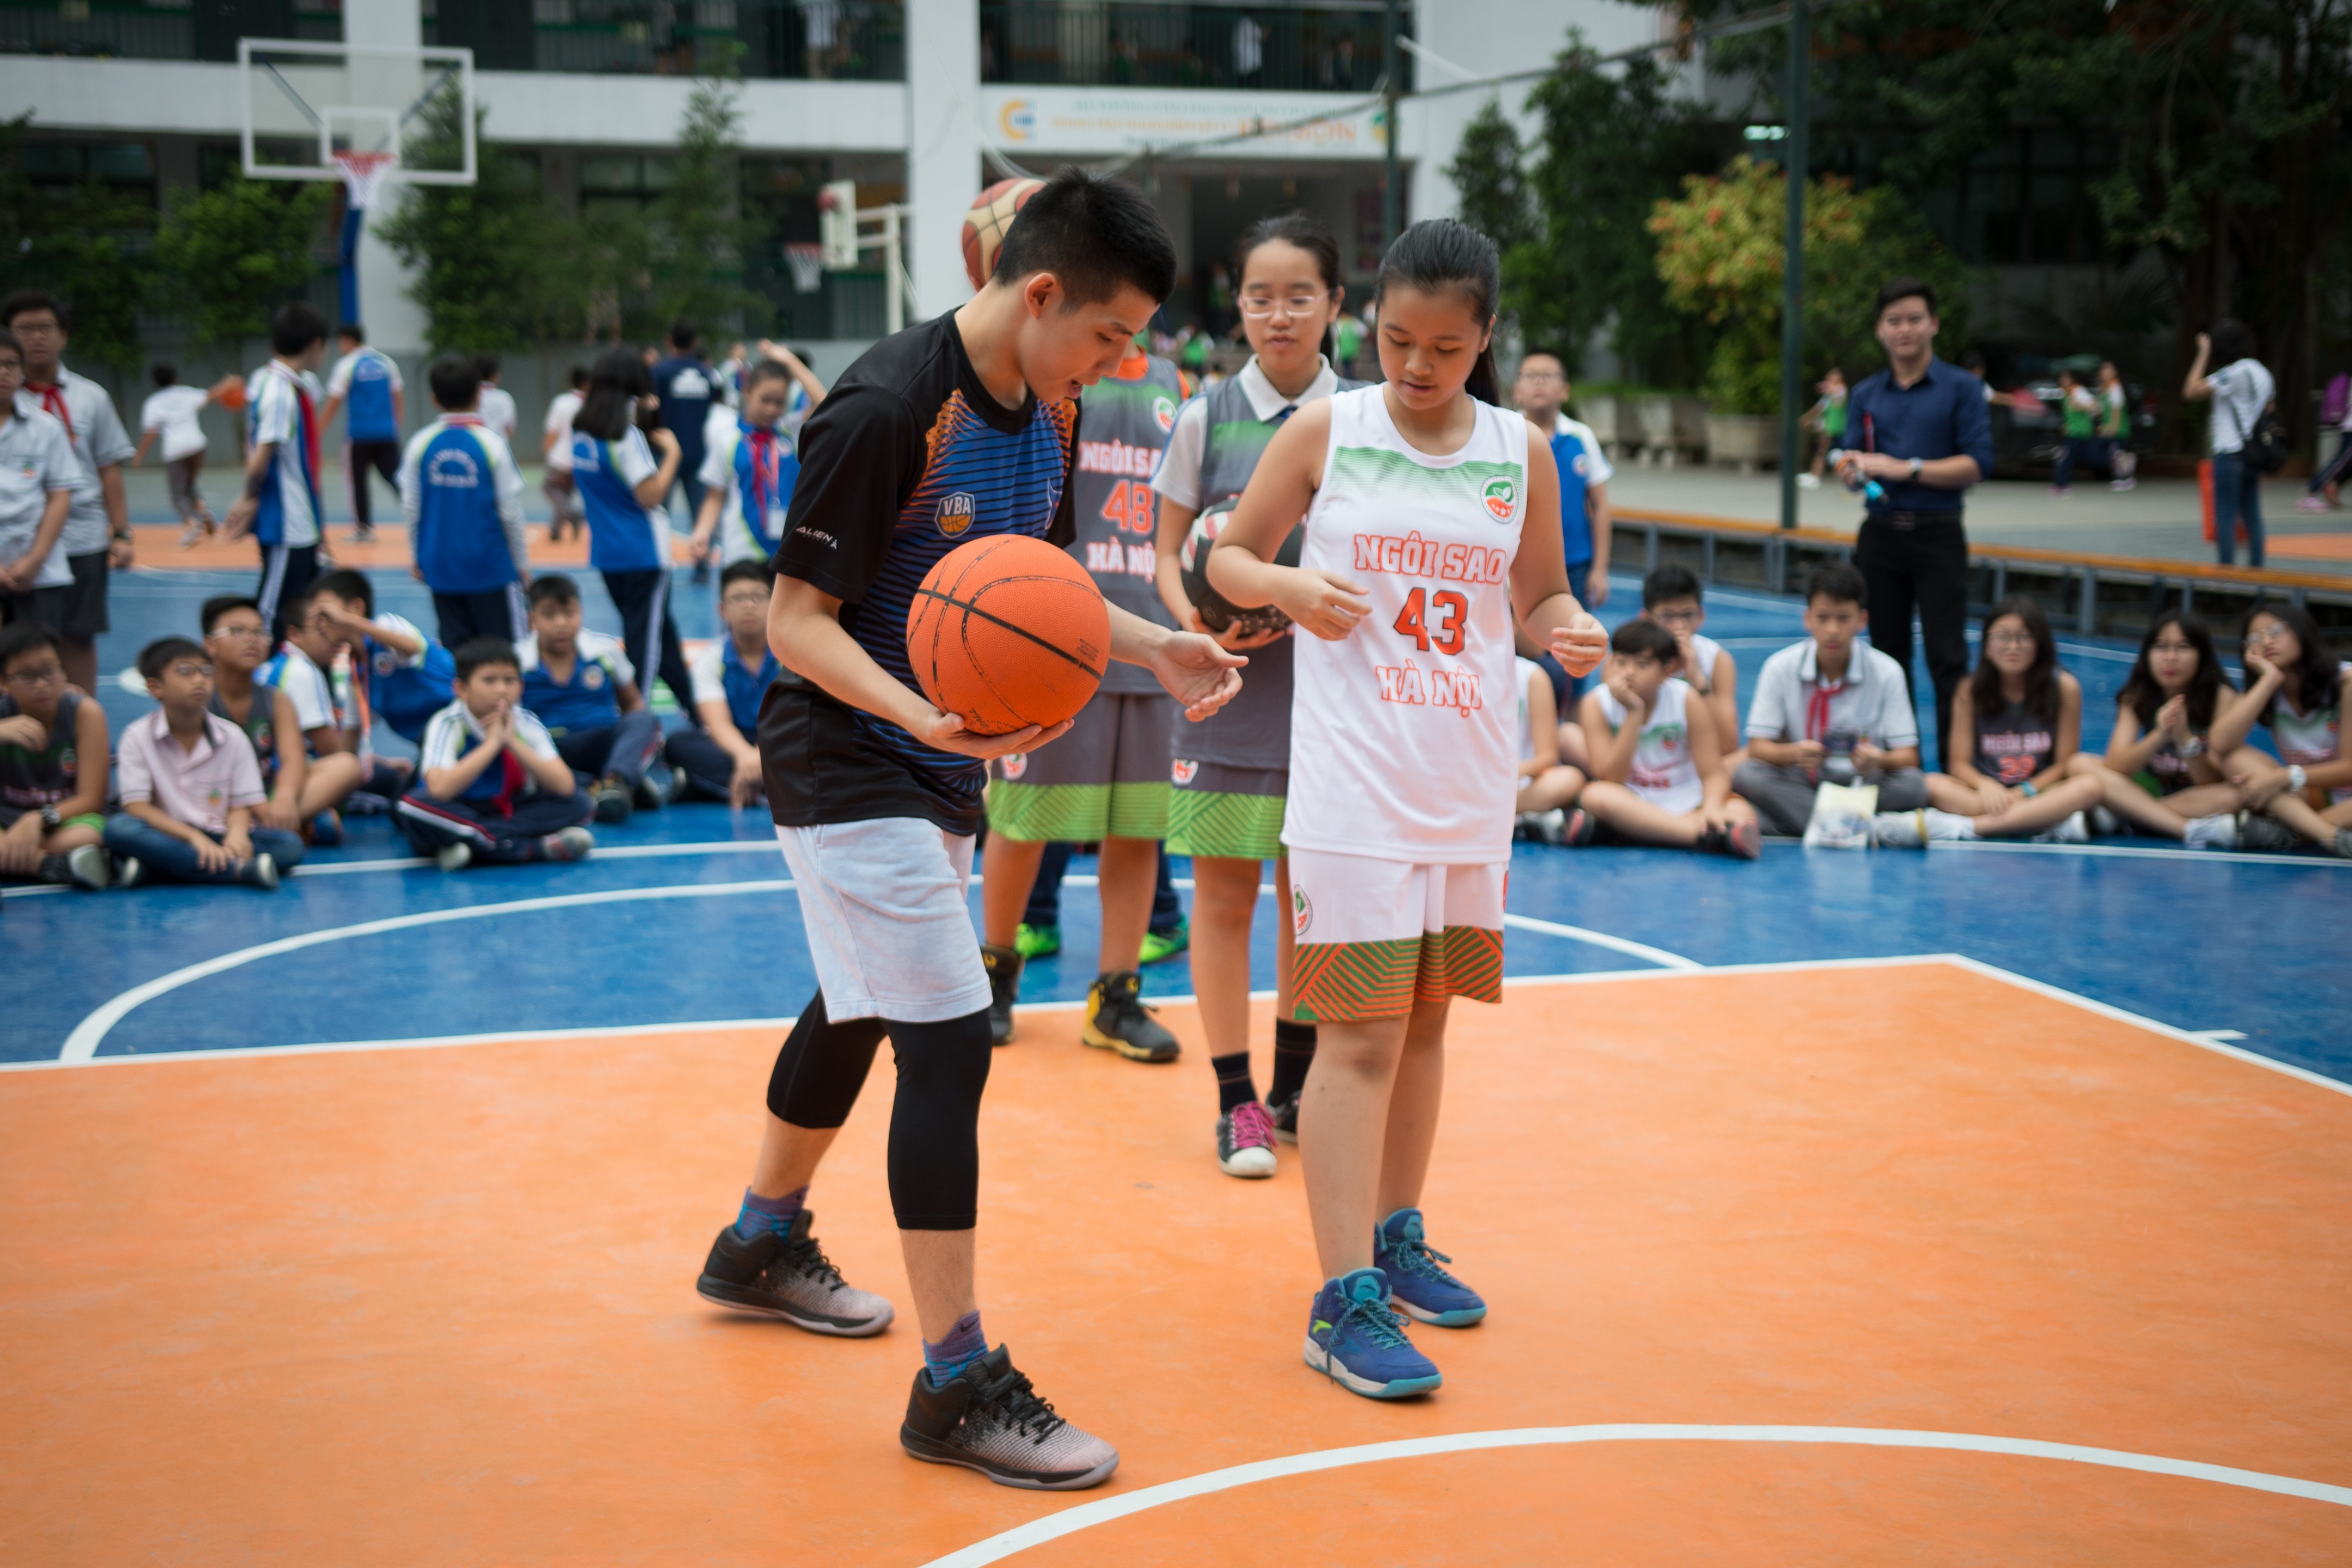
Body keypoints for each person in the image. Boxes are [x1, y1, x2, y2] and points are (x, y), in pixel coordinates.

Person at [696, 167, 1236, 1490]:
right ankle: (955, 1380)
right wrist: (919, 710)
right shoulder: (890, 405)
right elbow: (797, 621)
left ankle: (758, 1241)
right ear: (1041, 292)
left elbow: (1034, 594)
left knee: (863, 1007)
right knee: (945, 1040)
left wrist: (1154, 644)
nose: (1118, 363)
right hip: (844, 753)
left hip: (935, 758)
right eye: (1108, 334)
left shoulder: (1053, 406)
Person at [1207, 218, 1607, 1400]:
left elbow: (1540, 595)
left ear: (1486, 337)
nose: (1417, 364)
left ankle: (1394, 1236)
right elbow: (1228, 559)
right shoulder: (1328, 429)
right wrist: (1286, 585)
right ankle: (1341, 1303)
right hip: (1354, 785)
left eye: (1444, 346)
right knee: (1360, 1034)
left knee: (1427, 1022)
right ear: (1369, 324)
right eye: (1396, 340)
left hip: (1466, 780)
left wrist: (1569, 629)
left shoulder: (1519, 450)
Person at [1152, 211, 1364, 1178]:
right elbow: (1167, 554)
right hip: (1226, 693)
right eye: (1260, 298)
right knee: (1225, 894)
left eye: (1299, 297)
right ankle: (1235, 1099)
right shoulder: (1204, 416)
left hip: (1336, 699)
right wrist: (1196, 632)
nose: (1279, 316)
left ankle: (1295, 1086)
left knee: (1306, 898)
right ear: (1237, 305)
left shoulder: (1365, 420)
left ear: (1336, 306)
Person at [978, 330, 1195, 1064]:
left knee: (1137, 830)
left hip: (1152, 635)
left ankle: (1115, 996)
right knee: (1021, 820)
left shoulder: (1175, 385)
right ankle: (994, 977)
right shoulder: (1058, 379)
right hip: (1053, 632)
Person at [1833, 278, 1993, 771]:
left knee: (1948, 657)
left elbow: (1979, 463)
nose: (1904, 329)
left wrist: (1909, 468)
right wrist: (1851, 471)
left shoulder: (1962, 388)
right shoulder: (1865, 394)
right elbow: (1849, 458)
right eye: (1894, 321)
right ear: (1880, 330)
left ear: (1934, 325)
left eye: (1914, 319)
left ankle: (1956, 768)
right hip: (1880, 534)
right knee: (1886, 658)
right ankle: (1898, 768)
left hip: (1938, 532)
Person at [1869, 595, 2104, 846]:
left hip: (2039, 790)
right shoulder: (1969, 690)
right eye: (2002, 637)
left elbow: (2064, 765)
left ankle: (1970, 827)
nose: (2013, 647)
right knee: (1932, 785)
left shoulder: (2065, 688)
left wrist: (2025, 791)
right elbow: (1959, 764)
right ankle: (2045, 820)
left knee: (2089, 787)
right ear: (1987, 647)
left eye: (2024, 637)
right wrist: (1985, 784)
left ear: (2040, 644)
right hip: (1987, 795)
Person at [1732, 563, 1930, 835]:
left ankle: (1810, 824)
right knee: (1748, 774)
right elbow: (1758, 748)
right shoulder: (1780, 667)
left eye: (1843, 618)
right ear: (1807, 619)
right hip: (1803, 777)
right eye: (1823, 618)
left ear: (1862, 620)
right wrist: (1795, 753)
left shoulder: (1886, 672)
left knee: (1913, 785)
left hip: (1862, 781)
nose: (1833, 629)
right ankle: (1861, 828)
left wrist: (1878, 760)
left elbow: (1908, 755)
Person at [2, 289, 134, 697]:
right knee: (17, 645)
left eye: (46, 328)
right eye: (24, 329)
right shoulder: (9, 398)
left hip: (81, 537)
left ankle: (80, 718)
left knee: (78, 635)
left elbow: (108, 468)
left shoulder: (91, 397)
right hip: (17, 542)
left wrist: (121, 533)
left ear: (63, 335)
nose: (36, 337)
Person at [104, 636, 304, 890]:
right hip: (167, 834)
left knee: (289, 845)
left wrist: (237, 834)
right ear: (155, 687)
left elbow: (241, 803)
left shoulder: (232, 736)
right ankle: (239, 871)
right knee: (119, 829)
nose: (200, 680)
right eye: (185, 671)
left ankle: (157, 868)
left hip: (218, 833)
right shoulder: (137, 737)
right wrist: (193, 837)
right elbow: (137, 808)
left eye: (207, 672)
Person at [570, 347, 695, 720]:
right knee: (645, 646)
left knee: (659, 634)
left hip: (608, 553)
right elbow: (650, 495)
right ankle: (635, 721)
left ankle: (697, 712)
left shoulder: (581, 433)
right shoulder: (625, 437)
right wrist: (674, 454)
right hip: (644, 554)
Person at [397, 636, 595, 871]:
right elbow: (440, 790)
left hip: (509, 809)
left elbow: (564, 786)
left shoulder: (526, 722)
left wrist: (512, 741)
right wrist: (492, 744)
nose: (501, 690)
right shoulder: (448, 723)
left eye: (510, 680)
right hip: (461, 807)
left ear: (521, 687)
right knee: (414, 805)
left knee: (581, 803)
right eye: (489, 680)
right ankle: (533, 849)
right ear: (461, 689)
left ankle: (477, 843)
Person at [1570, 618, 1759, 856]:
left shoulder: (1686, 699)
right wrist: (1634, 714)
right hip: (1632, 800)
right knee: (1596, 796)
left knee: (1742, 810)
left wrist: (1712, 808)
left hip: (1688, 800)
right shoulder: (1596, 703)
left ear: (1666, 670)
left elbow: (1713, 773)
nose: (1629, 673)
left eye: (1642, 665)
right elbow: (1610, 777)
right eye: (1621, 662)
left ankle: (1634, 832)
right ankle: (1703, 836)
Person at [2062, 610, 2245, 848]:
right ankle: (2186, 828)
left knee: (2236, 795)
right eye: (2161, 647)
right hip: (2148, 787)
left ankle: (2128, 815)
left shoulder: (2222, 698)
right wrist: (2159, 735)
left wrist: (2184, 738)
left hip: (2196, 795)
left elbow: (2210, 781)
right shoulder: (2137, 696)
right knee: (2079, 763)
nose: (2170, 658)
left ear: (2202, 655)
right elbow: (2116, 764)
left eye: (2183, 647)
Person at [202, 593, 363, 842]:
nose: (251, 640)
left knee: (347, 766)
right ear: (210, 644)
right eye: (237, 631)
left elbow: (292, 758)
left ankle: (270, 825)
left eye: (259, 632)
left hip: (264, 793)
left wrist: (285, 798)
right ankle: (282, 828)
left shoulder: (276, 699)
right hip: (213, 796)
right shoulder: (201, 699)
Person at [400, 354, 531, 646]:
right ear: (479, 395)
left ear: (434, 399)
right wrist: (522, 564)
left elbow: (411, 508)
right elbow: (509, 512)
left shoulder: (419, 444)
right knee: (508, 652)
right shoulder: (492, 444)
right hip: (490, 568)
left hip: (442, 566)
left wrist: (418, 557)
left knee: (458, 654)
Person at [516, 574, 666, 822]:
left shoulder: (605, 652)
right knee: (518, 753)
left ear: (581, 613)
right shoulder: (519, 663)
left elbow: (633, 705)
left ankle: (615, 782)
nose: (561, 623)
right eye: (550, 615)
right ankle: (606, 788)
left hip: (601, 744)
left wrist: (630, 748)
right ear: (533, 620)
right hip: (550, 747)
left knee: (644, 720)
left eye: (569, 613)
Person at [223, 302, 332, 644]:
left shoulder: (282, 382)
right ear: (316, 345)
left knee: (303, 610)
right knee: (271, 615)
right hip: (288, 523)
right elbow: (260, 459)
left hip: (303, 520)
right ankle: (254, 669)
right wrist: (249, 498)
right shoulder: (280, 393)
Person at [2208, 601, 2352, 858]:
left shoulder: (2345, 683)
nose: (2266, 642)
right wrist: (2269, 680)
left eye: (2275, 631)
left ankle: (2292, 831)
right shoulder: (2268, 689)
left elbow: (2349, 769)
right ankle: (2329, 836)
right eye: (2255, 638)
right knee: (2232, 757)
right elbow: (2219, 744)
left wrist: (2285, 777)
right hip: (2314, 797)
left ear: (2301, 631)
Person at [0, 620, 111, 889]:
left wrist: (39, 819)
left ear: (64, 671)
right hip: (6, 821)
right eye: (27, 676)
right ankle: (48, 865)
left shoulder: (85, 713)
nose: (41, 685)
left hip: (65, 819)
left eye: (49, 672)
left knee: (94, 835)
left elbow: (92, 798)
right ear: (3, 682)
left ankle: (10, 858)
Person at [667, 559, 785, 806]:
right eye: (737, 598)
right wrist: (747, 756)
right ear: (722, 610)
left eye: (758, 596)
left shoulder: (792, 656)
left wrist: (761, 756)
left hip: (781, 741)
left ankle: (724, 786)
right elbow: (717, 722)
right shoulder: (710, 660)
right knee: (678, 744)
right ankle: (775, 788)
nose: (748, 605)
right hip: (734, 745)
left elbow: (796, 719)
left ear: (774, 602)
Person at [308, 566, 454, 758]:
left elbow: (411, 647)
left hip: (462, 723)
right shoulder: (357, 674)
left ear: (357, 608)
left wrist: (346, 620)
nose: (322, 623)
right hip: (433, 746)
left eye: (327, 611)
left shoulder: (386, 625)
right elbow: (350, 738)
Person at [1511, 351, 1613, 610]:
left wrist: (1600, 569)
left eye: (1548, 376)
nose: (1539, 382)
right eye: (1530, 376)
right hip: (1517, 563)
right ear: (1516, 391)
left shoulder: (1581, 436)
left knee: (1572, 632)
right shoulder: (1505, 436)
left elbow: (1600, 505)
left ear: (1565, 391)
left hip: (1575, 563)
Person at [690, 356, 807, 570]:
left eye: (779, 402)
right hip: (742, 551)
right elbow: (715, 496)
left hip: (788, 551)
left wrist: (789, 361)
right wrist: (702, 532)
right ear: (748, 392)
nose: (772, 409)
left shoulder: (791, 432)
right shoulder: (727, 439)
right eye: (765, 400)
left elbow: (824, 404)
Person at [0, 328, 77, 633]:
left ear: (22, 370)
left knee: (38, 655)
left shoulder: (46, 427)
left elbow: (60, 495)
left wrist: (35, 560)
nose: (3, 372)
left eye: (11, 364)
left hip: (40, 573)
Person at [2182, 320, 2274, 567]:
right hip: (2253, 454)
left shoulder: (2235, 373)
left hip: (2229, 452)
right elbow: (2269, 408)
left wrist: (2203, 353)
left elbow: (2190, 391)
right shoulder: (2263, 373)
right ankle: (2257, 573)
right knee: (2252, 516)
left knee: (2225, 515)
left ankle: (2226, 576)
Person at [1640, 564, 1739, 771]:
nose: (1679, 626)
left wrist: (1698, 678)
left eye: (1687, 615)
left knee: (1746, 760)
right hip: (1645, 762)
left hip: (1698, 761)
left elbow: (1728, 745)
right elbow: (1615, 732)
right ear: (1646, 618)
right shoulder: (1626, 660)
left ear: (1701, 616)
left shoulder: (1718, 660)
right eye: (1667, 617)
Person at [321, 323, 404, 542]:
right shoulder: (386, 362)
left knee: (357, 482)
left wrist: (318, 430)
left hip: (359, 435)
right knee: (397, 478)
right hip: (387, 433)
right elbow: (397, 395)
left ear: (347, 340)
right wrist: (396, 425)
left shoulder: (347, 365)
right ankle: (421, 514)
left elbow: (334, 402)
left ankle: (363, 528)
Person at [134, 364, 225, 546]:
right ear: (175, 378)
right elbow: (210, 395)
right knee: (189, 484)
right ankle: (204, 512)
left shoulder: (154, 403)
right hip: (197, 446)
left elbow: (151, 432)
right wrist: (227, 384)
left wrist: (140, 455)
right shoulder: (185, 393)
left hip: (176, 451)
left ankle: (192, 525)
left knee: (178, 494)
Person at [649, 319, 719, 544]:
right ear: (695, 342)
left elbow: (649, 409)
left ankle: (659, 557)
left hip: (666, 453)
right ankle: (703, 558)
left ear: (669, 341)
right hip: (698, 452)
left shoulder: (659, 372)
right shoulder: (707, 375)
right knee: (701, 515)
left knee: (658, 512)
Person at [1512, 653, 1584, 841]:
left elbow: (1548, 756)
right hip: (1469, 780)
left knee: (1570, 779)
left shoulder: (1531, 675)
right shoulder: (1455, 670)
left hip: (1516, 785)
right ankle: (1522, 820)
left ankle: (1490, 815)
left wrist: (1520, 770)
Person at [543, 365, 589, 543]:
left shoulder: (562, 402)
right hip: (584, 459)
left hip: (561, 458)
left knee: (553, 489)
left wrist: (547, 450)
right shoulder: (592, 404)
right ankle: (556, 530)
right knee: (565, 494)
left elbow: (552, 432)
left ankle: (571, 516)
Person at [2051, 368, 2099, 497]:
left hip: (2080, 432)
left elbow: (2095, 407)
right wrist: (2067, 424)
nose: (2062, 380)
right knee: (2083, 457)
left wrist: (2081, 406)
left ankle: (2062, 486)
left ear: (2072, 379)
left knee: (2065, 458)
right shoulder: (2065, 393)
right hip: (2074, 432)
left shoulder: (2078, 391)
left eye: (2065, 378)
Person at [1800, 366, 1847, 486]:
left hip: (1837, 428)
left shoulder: (1841, 390)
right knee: (1823, 451)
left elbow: (1838, 400)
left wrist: (1827, 388)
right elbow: (1819, 408)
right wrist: (1807, 418)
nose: (1831, 379)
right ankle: (1814, 475)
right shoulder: (1828, 395)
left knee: (1829, 453)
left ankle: (1816, 477)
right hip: (1829, 427)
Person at [2097, 360, 2135, 492]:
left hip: (2118, 428)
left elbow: (2116, 409)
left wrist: (2113, 426)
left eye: (2108, 371)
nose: (2105, 373)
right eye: (2103, 371)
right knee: (2116, 454)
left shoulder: (2115, 387)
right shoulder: (2106, 388)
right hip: (2111, 426)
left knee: (2117, 454)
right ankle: (2123, 477)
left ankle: (2124, 478)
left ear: (2115, 373)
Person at [471, 353, 517, 446]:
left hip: (477, 446)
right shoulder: (505, 398)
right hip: (499, 447)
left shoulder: (470, 397)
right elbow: (510, 431)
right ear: (496, 376)